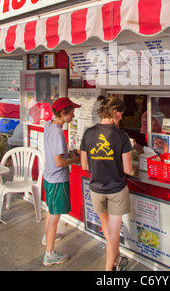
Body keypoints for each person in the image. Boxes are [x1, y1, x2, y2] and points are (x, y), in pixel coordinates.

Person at [80, 96, 133, 271]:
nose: (122, 118)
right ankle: (109, 270)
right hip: (116, 190)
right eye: (121, 114)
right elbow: (128, 169)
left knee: (106, 227)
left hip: (96, 188)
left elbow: (85, 165)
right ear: (114, 112)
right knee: (113, 232)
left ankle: (115, 260)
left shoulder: (88, 133)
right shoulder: (121, 136)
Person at [42, 97, 81, 267]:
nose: (73, 114)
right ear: (64, 113)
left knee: (51, 210)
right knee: (55, 216)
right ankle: (49, 254)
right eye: (71, 111)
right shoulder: (58, 132)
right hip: (58, 178)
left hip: (48, 176)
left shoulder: (49, 125)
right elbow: (59, 162)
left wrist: (67, 155)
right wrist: (75, 160)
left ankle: (48, 236)